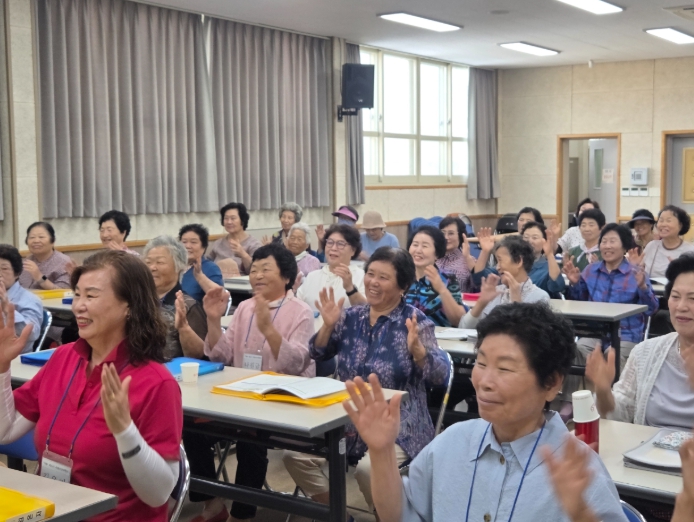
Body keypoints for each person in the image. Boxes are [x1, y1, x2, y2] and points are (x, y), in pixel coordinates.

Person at [342, 302, 626, 522]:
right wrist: (381, 451)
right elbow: (400, 516)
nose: (485, 381)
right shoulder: (452, 442)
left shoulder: (579, 470)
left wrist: (582, 516)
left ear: (551, 383)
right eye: (481, 363)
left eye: (504, 368)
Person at [0, 250, 183, 521]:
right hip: (54, 511)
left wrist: (125, 432)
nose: (78, 306)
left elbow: (158, 495)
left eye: (91, 296)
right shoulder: (63, 358)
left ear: (129, 306)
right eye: (77, 295)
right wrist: (2, 368)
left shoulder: (157, 383)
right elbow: (5, 431)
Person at [283, 247, 449, 514]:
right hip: (346, 416)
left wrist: (420, 352)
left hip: (398, 422)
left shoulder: (415, 323)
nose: (373, 282)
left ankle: (390, 517)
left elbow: (440, 376)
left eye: (383, 277)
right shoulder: (352, 316)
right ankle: (337, 514)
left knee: (368, 470)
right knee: (293, 456)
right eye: (371, 274)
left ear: (403, 286)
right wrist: (327, 326)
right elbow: (318, 352)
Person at [184, 243, 315, 522]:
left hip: (282, 403)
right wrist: (213, 320)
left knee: (250, 440)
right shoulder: (245, 307)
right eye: (254, 269)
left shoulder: (301, 311)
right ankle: (212, 502)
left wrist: (269, 329)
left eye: (266, 269)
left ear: (287, 277)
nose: (257, 275)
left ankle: (242, 515)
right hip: (240, 400)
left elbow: (295, 365)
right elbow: (220, 355)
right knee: (190, 428)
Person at [585, 254, 694, 429]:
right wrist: (603, 391)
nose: (681, 306)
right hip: (649, 446)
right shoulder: (645, 353)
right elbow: (620, 414)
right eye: (675, 296)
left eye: (692, 298)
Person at [563, 224, 658, 371]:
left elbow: (652, 309)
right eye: (604, 241)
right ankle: (580, 387)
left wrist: (643, 287)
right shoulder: (590, 270)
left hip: (625, 334)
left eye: (613, 241)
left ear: (624, 246)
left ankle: (614, 387)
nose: (607, 246)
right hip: (594, 331)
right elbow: (579, 302)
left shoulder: (636, 273)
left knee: (613, 355)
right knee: (578, 350)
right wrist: (575, 284)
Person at [460, 236, 549, 328]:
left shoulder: (539, 297)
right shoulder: (495, 292)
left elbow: (528, 334)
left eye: (500, 260)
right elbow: (463, 328)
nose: (497, 267)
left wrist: (516, 302)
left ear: (518, 261)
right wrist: (481, 303)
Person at [143, 236, 207, 360]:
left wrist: (183, 328)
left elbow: (200, 356)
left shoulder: (188, 305)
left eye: (160, 262)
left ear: (179, 266)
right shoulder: (138, 301)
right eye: (148, 262)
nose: (152, 268)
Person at [471, 223, 564, 298]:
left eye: (534, 237)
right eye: (526, 237)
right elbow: (479, 278)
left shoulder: (546, 267)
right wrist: (485, 251)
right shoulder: (507, 265)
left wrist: (550, 254)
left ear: (545, 241)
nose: (529, 241)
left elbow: (556, 286)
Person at [297, 224, 366, 314]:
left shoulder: (362, 277)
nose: (333, 248)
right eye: (330, 242)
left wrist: (350, 289)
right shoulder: (312, 276)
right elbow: (297, 308)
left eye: (340, 244)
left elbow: (367, 310)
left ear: (353, 250)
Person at [405, 226, 466, 327]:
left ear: (437, 254)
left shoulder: (447, 279)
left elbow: (459, 321)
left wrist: (441, 289)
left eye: (425, 246)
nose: (418, 250)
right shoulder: (401, 277)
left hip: (438, 336)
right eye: (415, 244)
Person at [0, 245, 42, 353]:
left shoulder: (29, 300)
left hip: (14, 357)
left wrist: (8, 310)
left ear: (17, 273)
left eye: (4, 269)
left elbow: (32, 334)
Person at [207, 202, 262, 275]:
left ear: (242, 220)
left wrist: (243, 254)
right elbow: (207, 264)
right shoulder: (218, 243)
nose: (229, 222)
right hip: (218, 280)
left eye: (233, 218)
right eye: (226, 218)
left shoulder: (254, 244)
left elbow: (257, 271)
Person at [640, 205, 694, 278]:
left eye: (668, 221)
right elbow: (640, 270)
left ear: (681, 225)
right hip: (650, 285)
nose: (663, 224)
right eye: (661, 220)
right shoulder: (652, 246)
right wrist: (634, 265)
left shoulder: (690, 251)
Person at [18, 222, 72, 290]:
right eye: (32, 237)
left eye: (41, 237)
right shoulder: (26, 262)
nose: (36, 241)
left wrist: (40, 277)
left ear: (52, 241)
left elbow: (63, 291)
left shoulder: (64, 263)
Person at [179, 224, 224, 304]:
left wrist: (200, 276)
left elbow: (219, 297)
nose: (187, 246)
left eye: (193, 242)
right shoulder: (175, 267)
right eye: (184, 242)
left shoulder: (210, 268)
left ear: (203, 247)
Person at [436, 216, 471, 292]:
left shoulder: (468, 261)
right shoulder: (432, 258)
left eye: (451, 233)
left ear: (461, 236)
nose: (446, 237)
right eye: (443, 233)